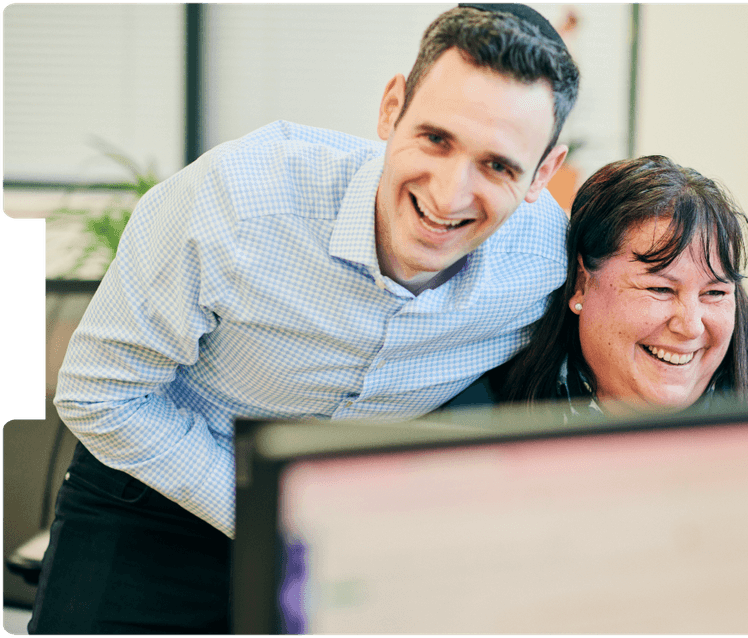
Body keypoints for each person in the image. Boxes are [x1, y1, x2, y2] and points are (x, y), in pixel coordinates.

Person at [32, 4, 578, 634]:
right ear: (391, 108)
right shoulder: (237, 202)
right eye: (436, 138)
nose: (450, 194)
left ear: (542, 173)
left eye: (497, 165)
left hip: (346, 540)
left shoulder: (547, 266)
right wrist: (281, 513)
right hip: (152, 500)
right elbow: (99, 391)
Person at [452, 155, 748, 419]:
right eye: (660, 290)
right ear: (581, 284)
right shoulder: (489, 415)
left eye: (715, 293)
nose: (690, 325)